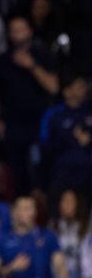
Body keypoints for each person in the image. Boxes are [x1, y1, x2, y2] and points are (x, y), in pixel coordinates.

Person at [0, 14, 59, 197]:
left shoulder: (43, 54)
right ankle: (21, 209)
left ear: (30, 31)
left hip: (39, 121)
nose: (17, 34)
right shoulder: (3, 59)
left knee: (41, 170)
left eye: (21, 29)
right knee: (17, 171)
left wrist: (32, 66)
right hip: (13, 122)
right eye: (13, 31)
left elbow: (53, 87)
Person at [0, 196, 70, 278]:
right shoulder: (2, 240)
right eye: (26, 208)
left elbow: (61, 269)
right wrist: (11, 268)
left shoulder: (48, 236)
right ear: (14, 212)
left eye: (33, 208)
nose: (32, 213)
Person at [39, 72, 92, 202]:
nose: (84, 89)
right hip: (62, 172)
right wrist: (72, 139)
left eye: (84, 86)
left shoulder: (89, 112)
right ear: (67, 91)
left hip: (88, 172)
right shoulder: (53, 115)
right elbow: (45, 146)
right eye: (79, 86)